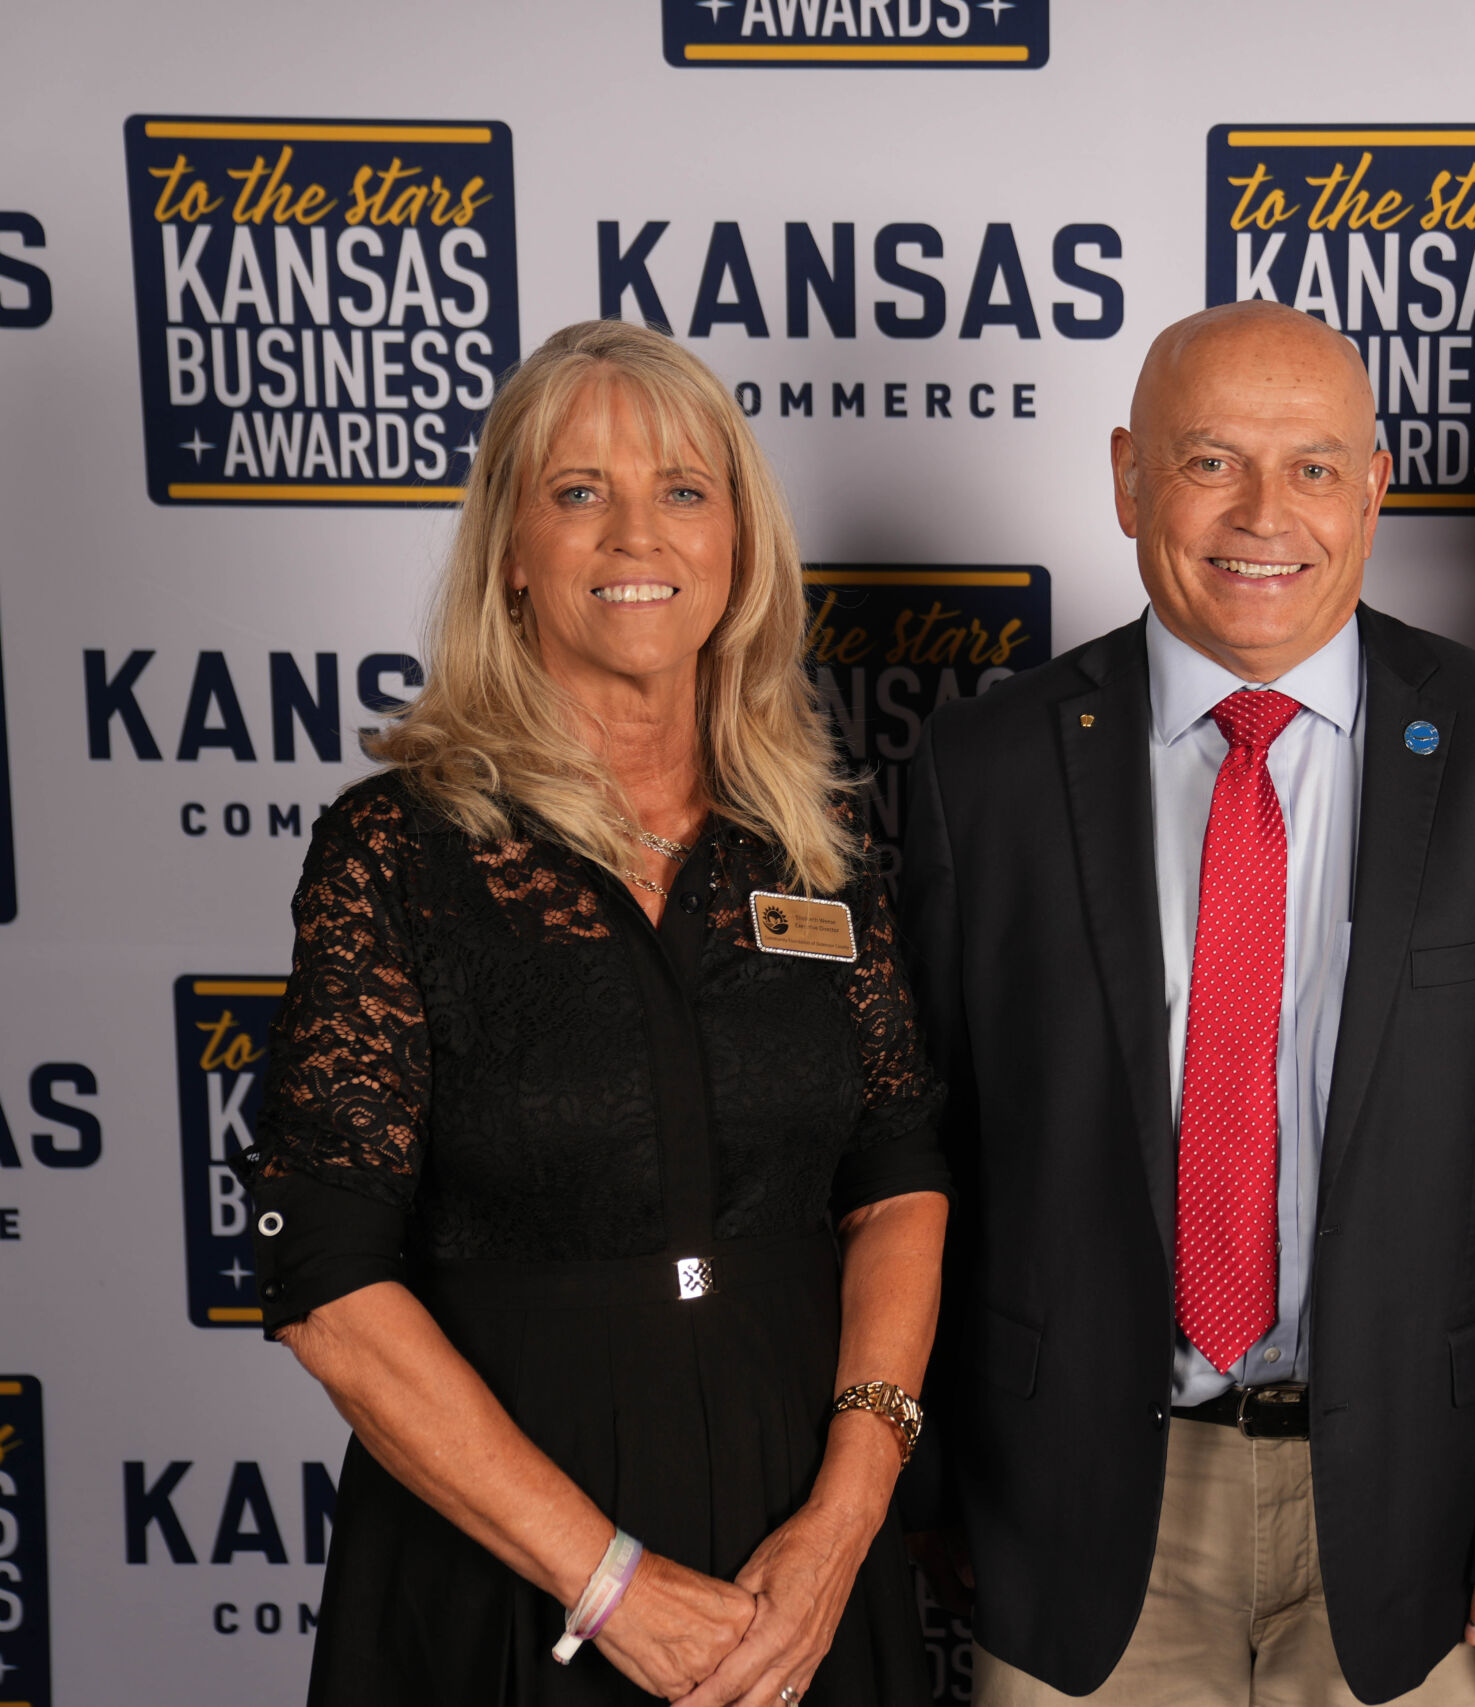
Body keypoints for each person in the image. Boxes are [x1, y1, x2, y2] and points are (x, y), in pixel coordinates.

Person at [899, 300, 1475, 1706]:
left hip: (1423, 1519)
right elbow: (927, 1154)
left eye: (1313, 467)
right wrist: (929, 1478)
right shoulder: (982, 769)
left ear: (1373, 489)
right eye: (1209, 462)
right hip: (1082, 1513)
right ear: (1129, 479)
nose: (1263, 514)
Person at [236, 319, 949, 1707]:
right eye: (580, 492)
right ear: (511, 547)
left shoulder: (815, 848)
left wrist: (848, 1516)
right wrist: (607, 1581)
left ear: (737, 542)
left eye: (683, 490)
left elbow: (896, 1178)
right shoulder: (398, 852)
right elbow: (325, 1283)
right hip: (506, 1564)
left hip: (800, 1560)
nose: (638, 535)